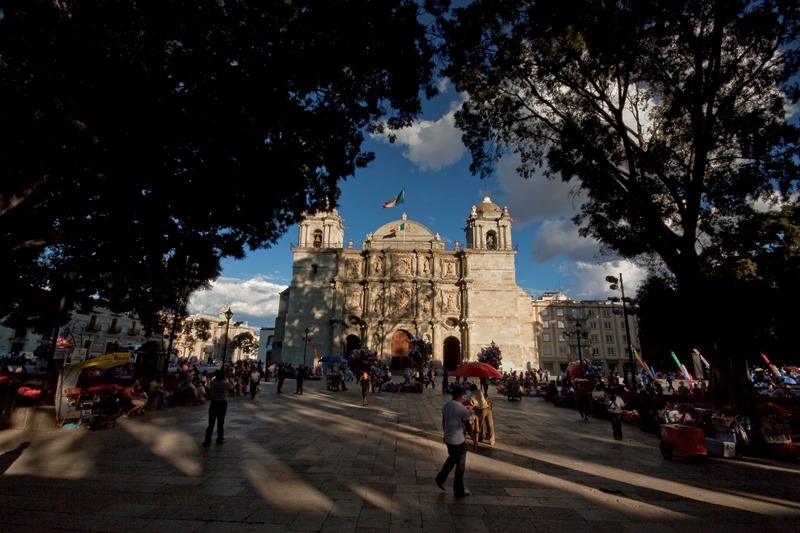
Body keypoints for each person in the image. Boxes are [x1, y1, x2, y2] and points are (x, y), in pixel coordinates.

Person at [435, 385, 478, 498]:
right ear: (459, 395)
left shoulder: (446, 406)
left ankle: (440, 478)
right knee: (460, 466)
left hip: (449, 439)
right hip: (459, 441)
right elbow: (468, 427)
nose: (464, 397)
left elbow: (444, 422)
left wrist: (446, 433)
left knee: (452, 459)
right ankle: (458, 490)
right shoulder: (462, 409)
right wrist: (474, 440)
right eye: (463, 395)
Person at [202, 370, 233, 447]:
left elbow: (210, 388)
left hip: (214, 402)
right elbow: (232, 387)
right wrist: (228, 379)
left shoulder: (213, 382)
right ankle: (220, 439)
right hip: (222, 403)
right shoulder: (225, 383)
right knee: (220, 422)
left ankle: (207, 441)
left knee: (211, 423)